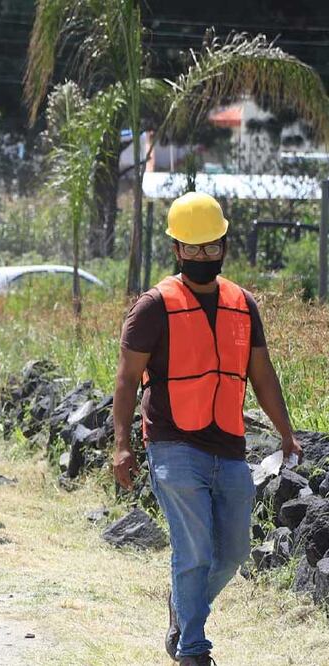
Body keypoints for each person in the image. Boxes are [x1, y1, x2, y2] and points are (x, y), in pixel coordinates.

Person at [111, 192, 301, 665]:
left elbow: (262, 373)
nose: (202, 256)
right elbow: (127, 378)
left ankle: (182, 606)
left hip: (229, 445)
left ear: (224, 245)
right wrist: (121, 444)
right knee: (193, 550)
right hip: (173, 444)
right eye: (192, 248)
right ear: (176, 248)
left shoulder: (243, 304)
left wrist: (286, 431)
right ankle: (193, 649)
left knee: (233, 553)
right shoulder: (153, 306)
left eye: (210, 246)